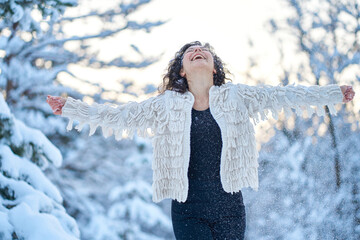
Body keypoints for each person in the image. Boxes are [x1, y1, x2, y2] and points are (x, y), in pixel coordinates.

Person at [47, 41, 355, 240]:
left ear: (214, 66)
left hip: (230, 207)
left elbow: (286, 95)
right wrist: (72, 108)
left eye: (205, 49)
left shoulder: (238, 97)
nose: (198, 49)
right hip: (187, 207)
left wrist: (333, 93)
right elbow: (117, 116)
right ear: (182, 68)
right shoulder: (165, 105)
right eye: (191, 50)